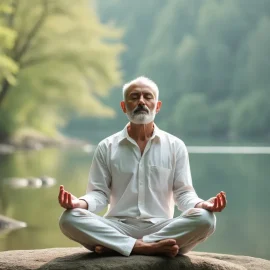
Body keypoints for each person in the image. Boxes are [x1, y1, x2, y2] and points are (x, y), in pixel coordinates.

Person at [58, 76, 227, 258]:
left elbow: (183, 193)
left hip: (161, 226)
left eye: (147, 96)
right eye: (134, 97)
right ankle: (146, 248)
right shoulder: (106, 146)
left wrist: (203, 204)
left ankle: (121, 247)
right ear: (124, 106)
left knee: (206, 219)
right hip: (117, 225)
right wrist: (79, 203)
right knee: (69, 218)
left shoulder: (175, 146)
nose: (141, 101)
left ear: (158, 106)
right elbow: (99, 194)